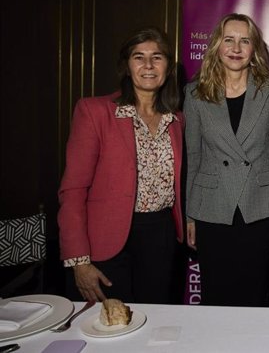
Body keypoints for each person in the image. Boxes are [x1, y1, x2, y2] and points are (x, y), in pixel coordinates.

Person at [58, 27, 184, 303]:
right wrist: (78, 260)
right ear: (127, 66)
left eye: (157, 57)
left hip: (160, 236)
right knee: (108, 328)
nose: (148, 65)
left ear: (168, 67)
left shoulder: (176, 120)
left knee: (153, 321)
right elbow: (73, 190)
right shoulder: (95, 112)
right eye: (139, 57)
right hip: (107, 240)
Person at [184, 13, 269, 307]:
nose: (236, 47)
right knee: (215, 294)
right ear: (217, 45)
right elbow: (193, 156)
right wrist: (190, 215)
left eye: (245, 41)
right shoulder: (194, 93)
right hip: (212, 207)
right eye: (228, 39)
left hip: (258, 204)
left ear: (254, 48)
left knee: (254, 294)